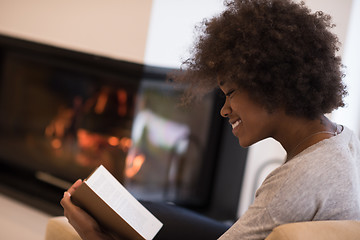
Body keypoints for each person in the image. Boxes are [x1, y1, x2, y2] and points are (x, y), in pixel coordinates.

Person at [61, 0, 360, 239]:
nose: (224, 110)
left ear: (273, 85)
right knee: (150, 213)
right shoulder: (342, 139)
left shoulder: (294, 183)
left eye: (230, 93)